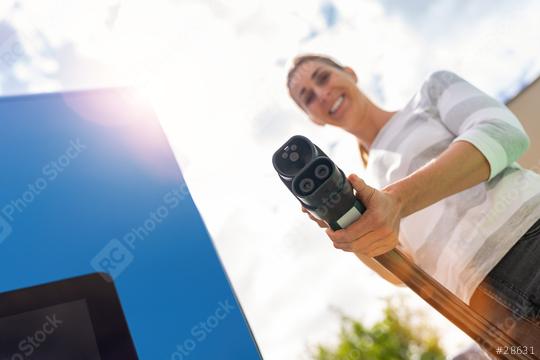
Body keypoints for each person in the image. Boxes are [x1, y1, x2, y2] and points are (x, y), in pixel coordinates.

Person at [286, 54, 540, 328]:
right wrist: (348, 229)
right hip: (485, 311)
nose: (321, 94)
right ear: (313, 119)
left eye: (323, 78)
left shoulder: (430, 94)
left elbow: (503, 133)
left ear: (351, 72)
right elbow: (401, 273)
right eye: (308, 97)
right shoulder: (360, 188)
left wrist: (397, 201)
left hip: (528, 236)